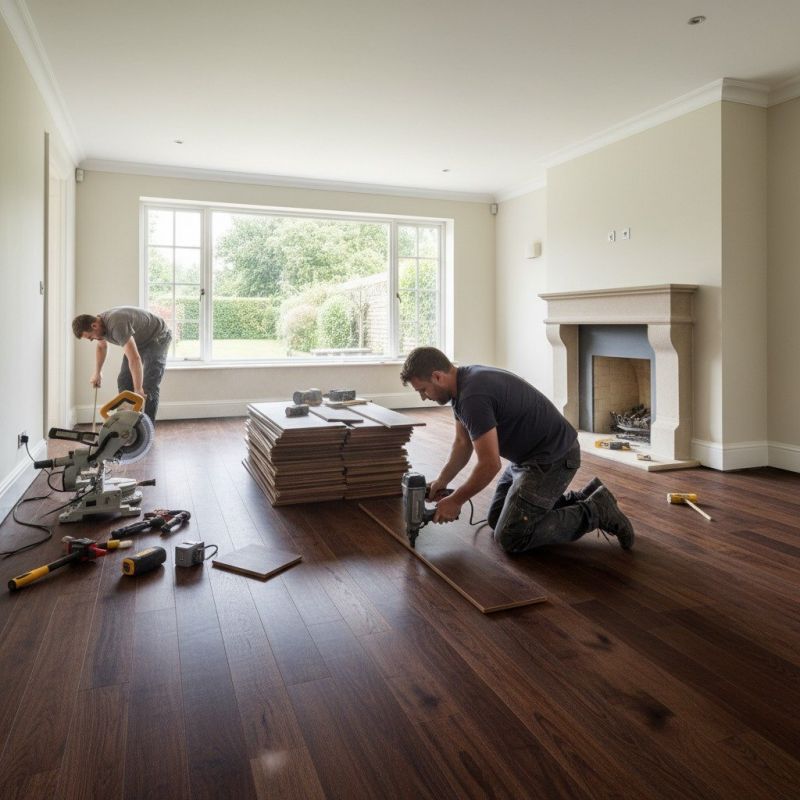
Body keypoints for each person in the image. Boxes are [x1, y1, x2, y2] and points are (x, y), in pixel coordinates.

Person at [400, 347, 635, 552]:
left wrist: (456, 500)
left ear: (437, 376)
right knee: (496, 519)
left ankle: (596, 510)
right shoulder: (463, 385)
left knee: (511, 535)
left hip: (554, 457)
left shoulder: (473, 396)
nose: (423, 398)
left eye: (423, 390)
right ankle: (586, 496)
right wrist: (442, 482)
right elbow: (463, 443)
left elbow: (490, 464)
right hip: (528, 457)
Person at [72, 306, 172, 423]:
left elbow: (134, 359)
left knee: (148, 386)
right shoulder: (99, 326)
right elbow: (101, 346)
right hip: (138, 340)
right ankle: (126, 425)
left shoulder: (116, 325)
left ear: (94, 326)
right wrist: (97, 372)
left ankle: (146, 428)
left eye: (90, 337)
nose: (91, 340)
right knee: (124, 380)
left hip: (157, 337)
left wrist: (138, 389)